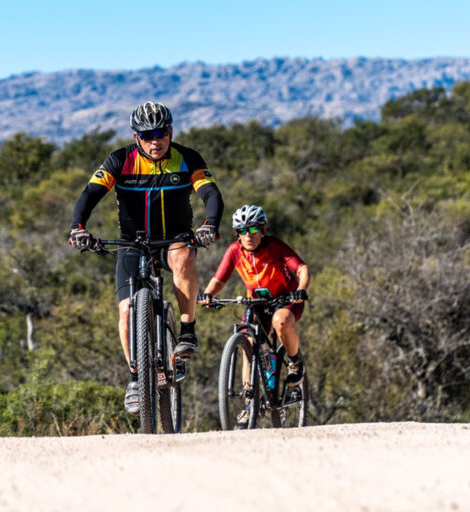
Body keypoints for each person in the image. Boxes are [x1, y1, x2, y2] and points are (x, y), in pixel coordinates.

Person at [68, 101, 224, 415]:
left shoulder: (187, 158)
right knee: (126, 312)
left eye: (162, 132)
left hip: (173, 239)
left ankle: (187, 329)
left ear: (171, 131)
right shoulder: (120, 161)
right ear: (137, 136)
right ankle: (136, 378)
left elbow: (210, 193)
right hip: (132, 244)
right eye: (148, 134)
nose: (156, 141)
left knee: (183, 258)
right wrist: (77, 227)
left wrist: (210, 225)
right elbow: (89, 194)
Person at [198, 204, 310, 396]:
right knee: (247, 342)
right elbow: (218, 280)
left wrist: (300, 290)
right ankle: (249, 401)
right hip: (257, 302)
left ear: (262, 230)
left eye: (253, 229)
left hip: (286, 298)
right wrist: (208, 295)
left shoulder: (274, 246)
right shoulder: (234, 251)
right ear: (237, 234)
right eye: (242, 230)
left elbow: (302, 269)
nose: (248, 235)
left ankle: (294, 362)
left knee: (280, 322)